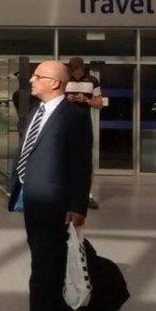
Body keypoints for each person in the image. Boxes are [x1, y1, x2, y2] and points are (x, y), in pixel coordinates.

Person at [8, 61, 93, 311]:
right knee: (46, 259)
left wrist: (77, 205)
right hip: (31, 196)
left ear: (55, 83)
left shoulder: (74, 116)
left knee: (43, 263)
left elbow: (81, 164)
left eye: (38, 76)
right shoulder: (36, 111)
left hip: (54, 200)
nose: (31, 80)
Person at [65, 57, 107, 210]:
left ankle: (87, 194)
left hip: (83, 125)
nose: (76, 74)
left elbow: (100, 103)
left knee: (86, 161)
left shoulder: (92, 81)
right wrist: (66, 99)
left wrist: (86, 100)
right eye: (73, 71)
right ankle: (66, 193)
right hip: (66, 124)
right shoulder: (64, 80)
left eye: (79, 71)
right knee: (65, 158)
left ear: (83, 69)